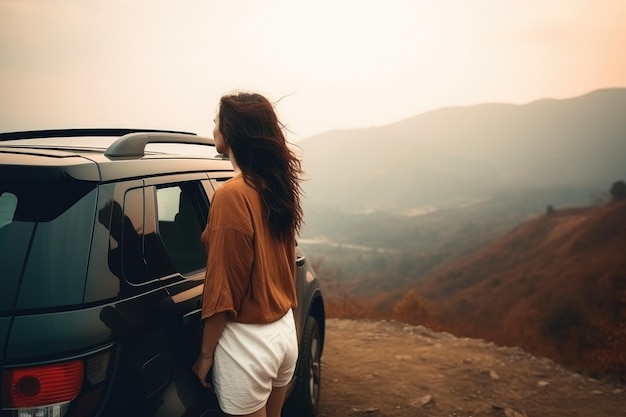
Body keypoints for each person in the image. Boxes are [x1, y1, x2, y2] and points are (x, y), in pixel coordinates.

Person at [192, 91, 304, 417]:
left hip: (248, 344)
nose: (213, 126)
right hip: (283, 334)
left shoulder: (231, 195)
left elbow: (224, 287)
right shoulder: (276, 186)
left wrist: (205, 355)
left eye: (217, 120)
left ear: (231, 131)